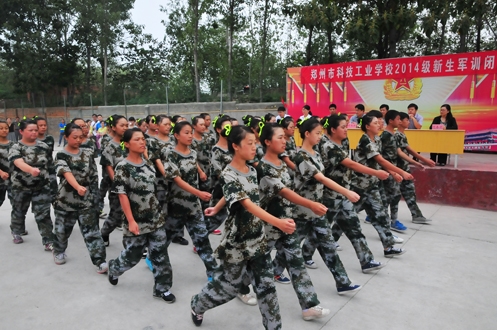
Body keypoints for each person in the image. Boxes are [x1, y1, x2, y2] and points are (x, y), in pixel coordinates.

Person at [191, 125, 295, 329]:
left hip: (257, 237)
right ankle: (198, 304)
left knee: (267, 288)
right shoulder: (228, 174)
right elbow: (246, 203)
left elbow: (239, 194)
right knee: (230, 286)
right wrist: (278, 222)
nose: (255, 147)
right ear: (236, 146)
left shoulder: (252, 170)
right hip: (238, 241)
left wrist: (216, 206)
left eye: (255, 142)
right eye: (250, 143)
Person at [256, 122, 331, 320]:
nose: (284, 140)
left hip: (287, 225)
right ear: (267, 142)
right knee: (253, 268)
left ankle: (309, 307)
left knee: (297, 265)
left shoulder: (281, 164)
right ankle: (237, 287)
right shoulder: (264, 167)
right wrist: (310, 204)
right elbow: (285, 192)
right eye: (279, 137)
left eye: (284, 137)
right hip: (268, 228)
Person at [301, 115, 389, 272]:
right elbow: (350, 164)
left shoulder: (343, 143)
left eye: (346, 126)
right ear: (333, 129)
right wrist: (376, 172)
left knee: (354, 228)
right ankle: (306, 254)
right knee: (321, 230)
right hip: (330, 196)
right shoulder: (328, 146)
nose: (346, 129)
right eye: (343, 127)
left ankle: (366, 261)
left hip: (344, 195)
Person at [107, 128, 175, 303]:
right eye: (137, 139)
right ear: (127, 144)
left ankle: (162, 288)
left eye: (143, 138)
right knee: (133, 256)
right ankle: (114, 268)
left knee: (160, 254)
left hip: (155, 218)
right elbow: (122, 195)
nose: (142, 141)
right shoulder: (123, 167)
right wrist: (130, 221)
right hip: (136, 220)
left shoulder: (148, 163)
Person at [52, 123, 107, 273]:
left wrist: (95, 196)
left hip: (86, 201)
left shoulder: (87, 153)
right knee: (62, 231)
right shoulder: (61, 155)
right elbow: (66, 172)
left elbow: (93, 175)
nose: (78, 140)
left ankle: (100, 261)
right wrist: (77, 187)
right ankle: (59, 251)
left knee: (92, 233)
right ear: (66, 137)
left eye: (80, 137)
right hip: (66, 201)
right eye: (74, 137)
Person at [351, 114, 409, 257]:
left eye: (379, 122)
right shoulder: (365, 140)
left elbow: (379, 162)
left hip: (372, 185)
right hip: (360, 185)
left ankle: (388, 247)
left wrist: (393, 173)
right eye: (375, 123)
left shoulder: (376, 139)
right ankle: (331, 240)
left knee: (381, 215)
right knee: (347, 217)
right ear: (367, 126)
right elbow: (381, 160)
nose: (379, 125)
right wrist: (401, 172)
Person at [9, 119, 55, 250]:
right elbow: (18, 162)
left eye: (36, 130)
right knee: (19, 211)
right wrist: (31, 170)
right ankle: (17, 231)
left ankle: (48, 240)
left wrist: (52, 182)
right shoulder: (16, 147)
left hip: (41, 186)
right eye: (31, 130)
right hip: (21, 186)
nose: (34, 132)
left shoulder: (44, 146)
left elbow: (50, 166)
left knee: (43, 214)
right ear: (21, 131)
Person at [380, 110, 424, 233]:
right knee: (386, 198)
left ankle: (391, 221)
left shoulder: (392, 136)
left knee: (393, 196)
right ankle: (384, 221)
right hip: (388, 170)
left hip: (394, 169)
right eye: (398, 119)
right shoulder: (385, 136)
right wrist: (393, 172)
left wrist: (416, 162)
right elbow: (381, 158)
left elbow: (399, 152)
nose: (400, 122)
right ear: (391, 120)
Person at [395, 112, 436, 223]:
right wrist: (421, 161)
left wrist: (424, 160)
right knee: (390, 195)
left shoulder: (402, 134)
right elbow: (403, 152)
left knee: (409, 192)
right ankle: (371, 215)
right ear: (400, 121)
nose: (409, 122)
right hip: (398, 170)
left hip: (404, 168)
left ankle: (416, 215)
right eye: (407, 120)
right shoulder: (397, 135)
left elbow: (409, 149)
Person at [100, 115, 128, 245]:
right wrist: (118, 185)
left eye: (126, 125)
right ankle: (104, 233)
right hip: (118, 187)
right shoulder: (110, 146)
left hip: (133, 186)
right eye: (122, 125)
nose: (125, 128)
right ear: (114, 127)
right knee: (116, 216)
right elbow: (108, 167)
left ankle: (134, 245)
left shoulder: (129, 143)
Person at [35, 117, 57, 201]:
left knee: (54, 194)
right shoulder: (33, 140)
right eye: (40, 125)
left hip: (50, 170)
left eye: (45, 125)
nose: (43, 127)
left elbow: (50, 154)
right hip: (38, 172)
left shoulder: (50, 139)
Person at [0, 119, 13, 208]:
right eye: (1, 128)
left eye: (6, 128)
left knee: (17, 204)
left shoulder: (14, 145)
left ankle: (16, 222)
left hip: (12, 179)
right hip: (0, 178)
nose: (4, 130)